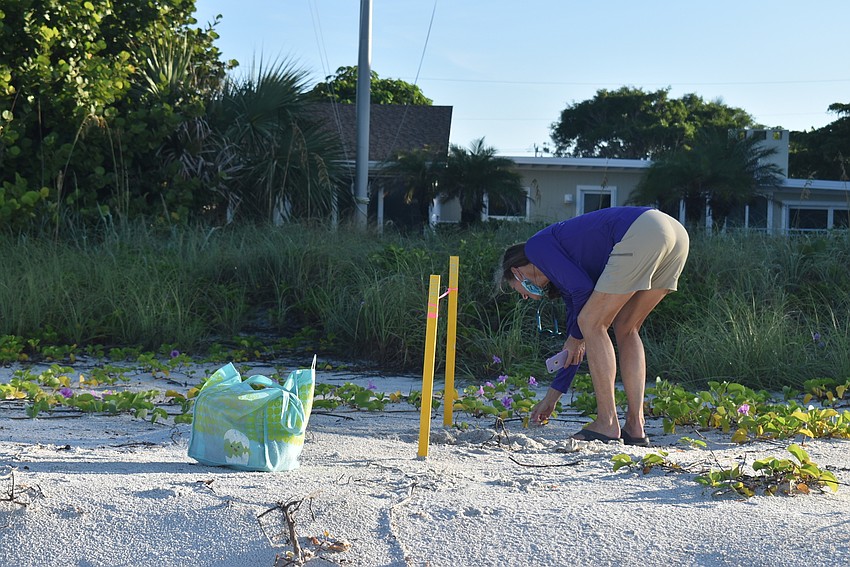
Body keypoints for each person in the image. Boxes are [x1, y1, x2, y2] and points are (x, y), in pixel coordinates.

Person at [497, 206, 689, 446]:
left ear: (517, 272)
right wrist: (552, 398)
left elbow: (582, 318)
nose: (524, 297)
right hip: (675, 234)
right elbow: (575, 345)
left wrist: (577, 336)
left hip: (643, 230)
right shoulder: (566, 280)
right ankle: (635, 427)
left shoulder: (536, 247)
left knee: (590, 322)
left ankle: (607, 423)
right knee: (625, 327)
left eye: (519, 291)